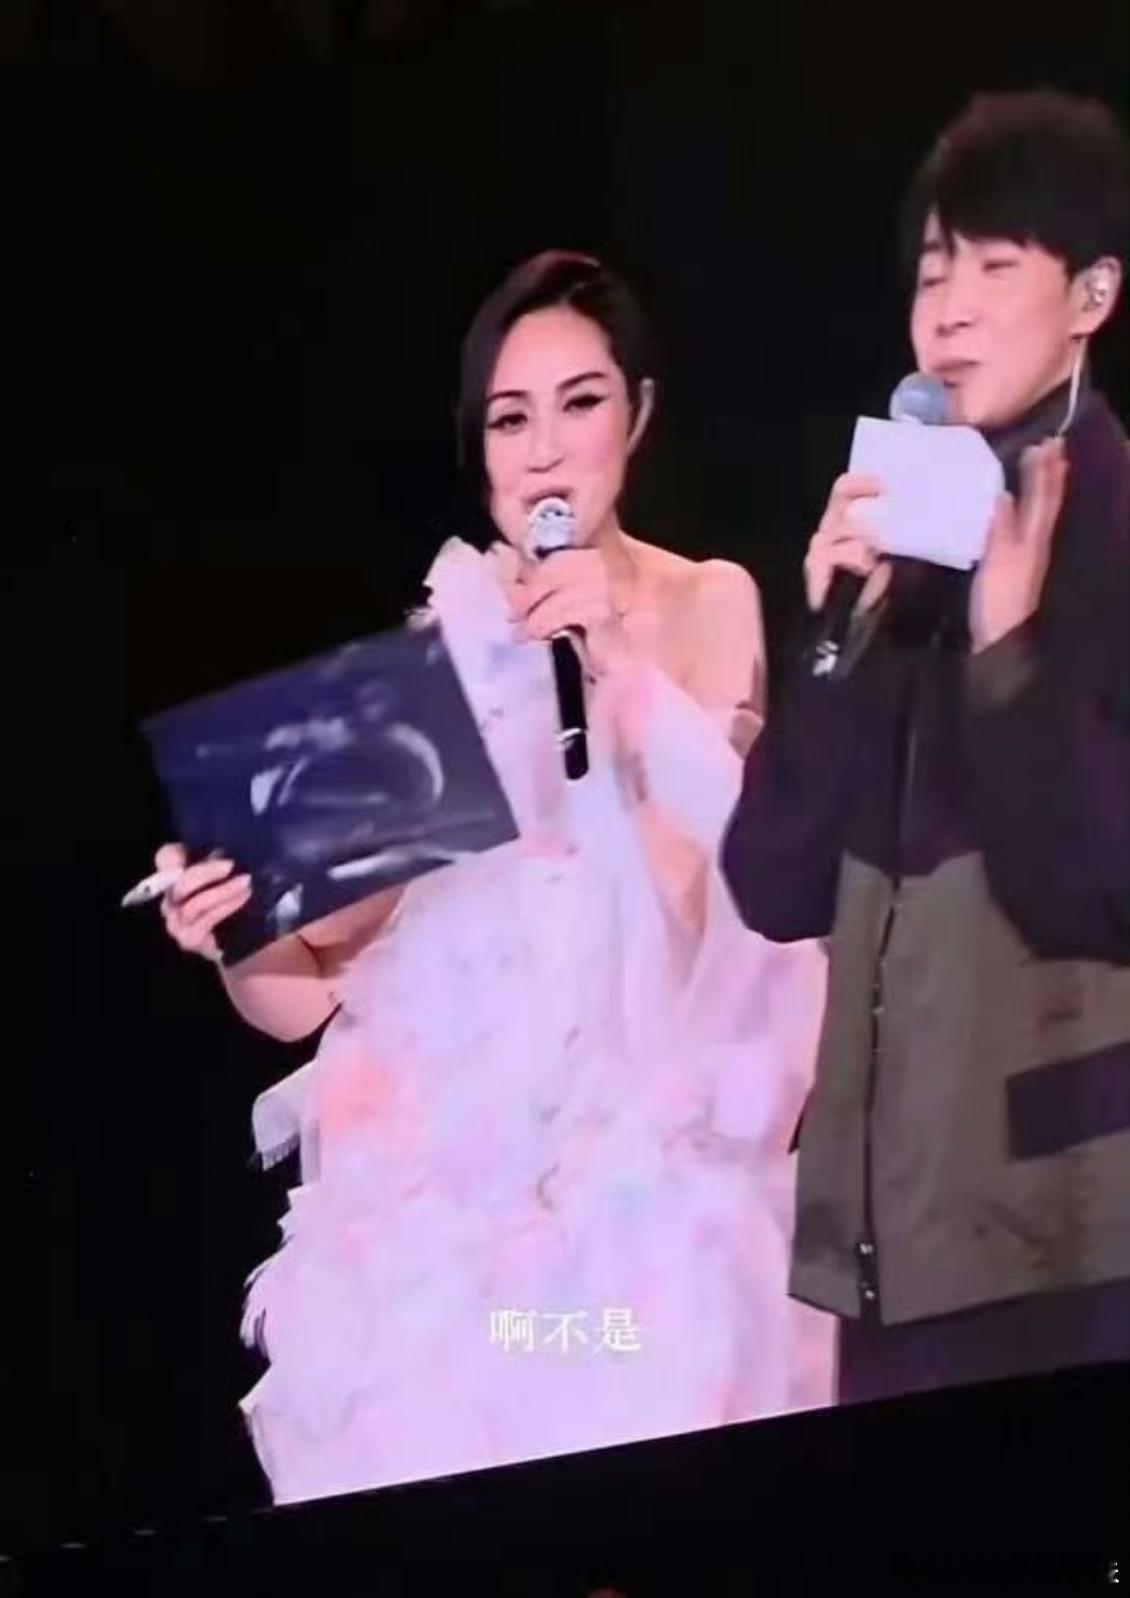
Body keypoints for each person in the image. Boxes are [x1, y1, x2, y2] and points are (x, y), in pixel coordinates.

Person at [156, 251, 832, 1503]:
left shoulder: (703, 604)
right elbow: (310, 993)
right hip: (450, 1239)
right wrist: (237, 928)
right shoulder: (430, 663)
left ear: (636, 414)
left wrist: (613, 661)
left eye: (579, 402)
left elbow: (712, 903)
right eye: (509, 419)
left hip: (643, 1215)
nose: (544, 450)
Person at [722, 90, 1130, 1403]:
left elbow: (1089, 886)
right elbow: (772, 881)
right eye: (929, 274)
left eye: (993, 268)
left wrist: (1009, 653)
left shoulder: (1115, 526)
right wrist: (830, 633)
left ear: (1091, 295)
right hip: (887, 1247)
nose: (945, 312)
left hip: (1067, 1243)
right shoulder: (902, 535)